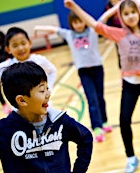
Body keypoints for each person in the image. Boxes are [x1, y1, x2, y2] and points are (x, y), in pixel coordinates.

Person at [60, 0, 140, 173]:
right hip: (130, 83)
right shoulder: (118, 34)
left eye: (133, 12)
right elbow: (94, 24)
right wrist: (74, 7)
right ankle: (131, 157)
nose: (130, 16)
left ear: (138, 13)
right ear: (122, 17)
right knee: (124, 120)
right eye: (126, 13)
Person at [0, 61, 93, 173]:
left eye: (47, 88)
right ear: (22, 101)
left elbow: (86, 138)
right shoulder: (4, 131)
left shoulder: (59, 120)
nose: (48, 94)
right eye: (42, 91)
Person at [33, 11, 112, 143]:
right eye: (75, 22)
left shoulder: (92, 30)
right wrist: (38, 28)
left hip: (97, 69)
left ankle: (104, 121)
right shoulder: (69, 34)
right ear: (72, 24)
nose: (78, 25)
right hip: (83, 72)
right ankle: (97, 127)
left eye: (80, 21)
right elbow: (53, 29)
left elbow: (104, 17)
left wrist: (119, 5)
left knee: (100, 97)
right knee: (92, 100)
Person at [0, 27, 57, 93]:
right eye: (15, 45)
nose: (20, 48)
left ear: (30, 43)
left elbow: (52, 70)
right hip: (22, 115)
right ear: (8, 49)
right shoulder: (6, 67)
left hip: (44, 109)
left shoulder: (39, 60)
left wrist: (49, 89)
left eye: (23, 43)